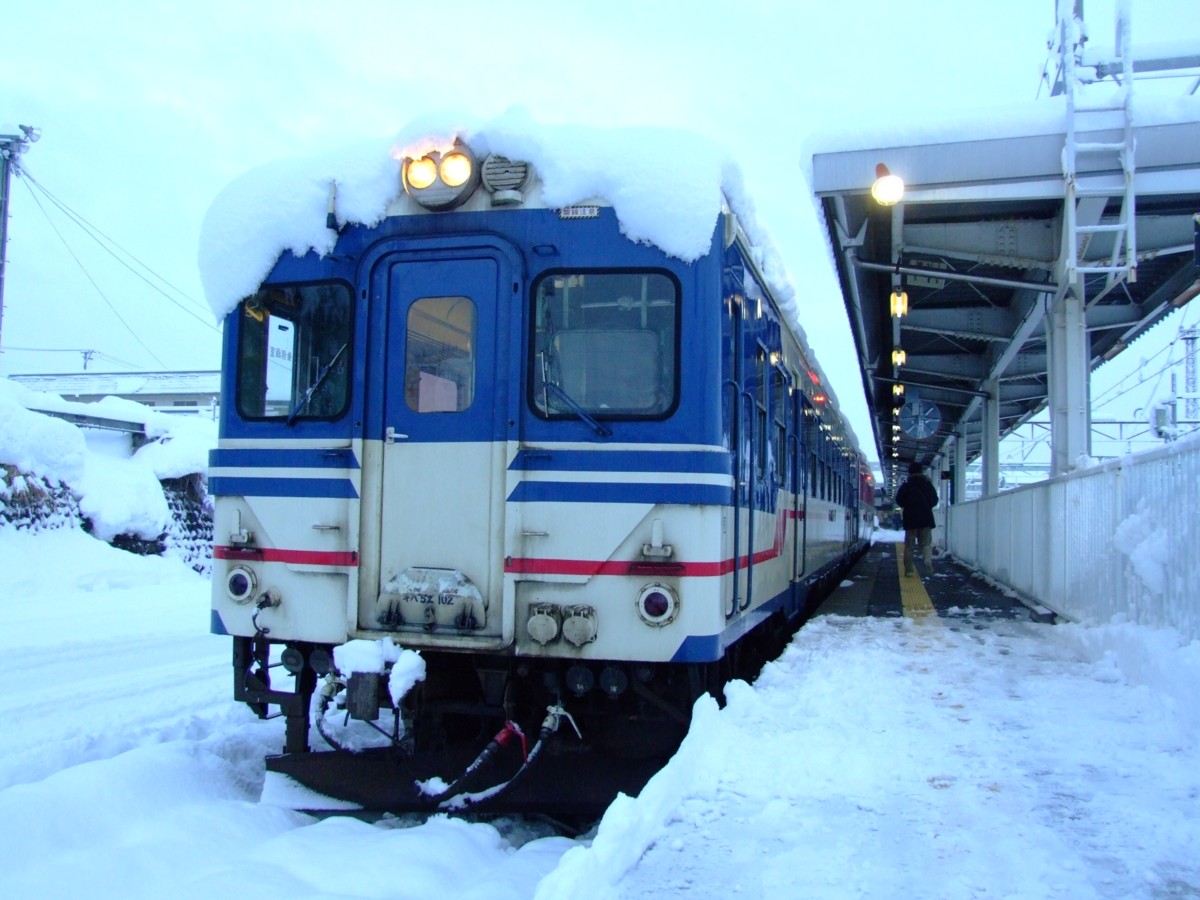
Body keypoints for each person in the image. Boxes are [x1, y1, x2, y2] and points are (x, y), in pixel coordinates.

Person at [895, 461, 939, 577]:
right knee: (925, 544)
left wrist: (908, 505)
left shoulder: (906, 486)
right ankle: (927, 560)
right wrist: (926, 506)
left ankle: (909, 571)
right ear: (921, 472)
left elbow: (899, 500)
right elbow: (935, 500)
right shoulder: (928, 485)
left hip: (911, 520)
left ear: (910, 472)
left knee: (909, 546)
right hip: (926, 519)